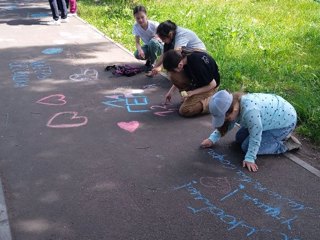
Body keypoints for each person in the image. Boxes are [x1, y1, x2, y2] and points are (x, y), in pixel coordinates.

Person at [201, 90, 302, 172]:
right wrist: (212, 139)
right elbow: (227, 124)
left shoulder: (250, 112)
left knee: (246, 147)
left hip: (284, 122)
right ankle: (274, 138)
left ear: (233, 110)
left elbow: (255, 136)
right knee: (239, 138)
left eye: (225, 118)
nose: (225, 121)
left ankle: (284, 145)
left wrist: (250, 158)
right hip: (270, 117)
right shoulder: (235, 104)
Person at [162, 48, 220, 117]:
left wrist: (192, 93)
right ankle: (192, 98)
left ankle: (215, 101)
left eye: (174, 70)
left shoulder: (198, 65)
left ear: (180, 65)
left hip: (209, 87)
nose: (174, 72)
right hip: (198, 82)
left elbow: (213, 84)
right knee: (173, 75)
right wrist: (171, 91)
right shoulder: (183, 57)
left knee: (185, 110)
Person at [132, 5, 163, 72]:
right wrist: (140, 50)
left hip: (160, 46)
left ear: (146, 16)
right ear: (134, 18)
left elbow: (164, 36)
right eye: (137, 18)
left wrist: (157, 37)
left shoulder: (154, 24)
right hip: (149, 45)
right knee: (137, 54)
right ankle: (150, 59)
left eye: (142, 17)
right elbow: (137, 42)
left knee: (152, 42)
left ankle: (153, 64)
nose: (140, 20)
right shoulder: (136, 26)